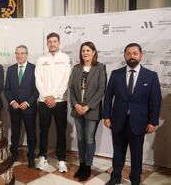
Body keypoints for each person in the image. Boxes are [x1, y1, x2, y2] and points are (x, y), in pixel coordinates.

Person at [103, 43, 162, 185]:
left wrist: (153, 122)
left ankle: (135, 179)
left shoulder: (151, 76)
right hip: (118, 120)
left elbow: (156, 100)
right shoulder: (116, 74)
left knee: (137, 154)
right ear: (124, 56)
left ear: (141, 55)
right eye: (128, 54)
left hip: (139, 122)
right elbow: (108, 97)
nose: (132, 56)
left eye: (135, 53)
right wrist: (106, 116)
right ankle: (115, 177)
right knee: (118, 152)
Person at [69, 41, 107, 181]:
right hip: (77, 109)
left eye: (88, 50)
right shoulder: (76, 68)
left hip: (92, 110)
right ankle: (82, 164)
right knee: (80, 139)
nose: (85, 53)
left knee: (89, 139)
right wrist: (75, 104)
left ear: (94, 52)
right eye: (83, 50)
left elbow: (101, 90)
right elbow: (71, 88)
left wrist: (88, 106)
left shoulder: (100, 68)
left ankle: (88, 166)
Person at [35, 32, 71, 172]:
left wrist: (55, 97)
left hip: (60, 101)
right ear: (47, 43)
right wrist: (46, 96)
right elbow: (38, 79)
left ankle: (61, 159)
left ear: (59, 42)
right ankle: (42, 157)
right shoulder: (41, 59)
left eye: (54, 41)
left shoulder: (65, 58)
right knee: (43, 130)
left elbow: (66, 80)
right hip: (44, 101)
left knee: (61, 131)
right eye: (50, 41)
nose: (52, 44)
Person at [4, 45, 38, 168]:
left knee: (31, 133)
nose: (19, 56)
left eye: (22, 53)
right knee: (15, 132)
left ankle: (31, 156)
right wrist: (12, 101)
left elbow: (37, 90)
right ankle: (14, 154)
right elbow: (6, 89)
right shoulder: (11, 69)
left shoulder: (34, 68)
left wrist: (27, 102)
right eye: (17, 53)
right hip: (14, 108)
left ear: (26, 54)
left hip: (29, 108)